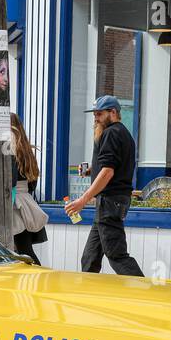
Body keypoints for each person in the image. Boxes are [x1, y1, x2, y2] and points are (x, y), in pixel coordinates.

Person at [64, 95, 143, 276]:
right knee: (90, 257)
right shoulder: (123, 134)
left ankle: (144, 294)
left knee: (117, 255)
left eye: (99, 114)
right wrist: (91, 170)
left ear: (113, 112)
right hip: (111, 202)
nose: (96, 118)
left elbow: (108, 172)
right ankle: (88, 295)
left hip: (110, 201)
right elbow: (112, 166)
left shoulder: (111, 133)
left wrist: (83, 200)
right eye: (94, 114)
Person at [8, 114, 48, 264]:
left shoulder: (8, 145)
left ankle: (37, 280)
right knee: (24, 249)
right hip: (25, 200)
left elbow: (9, 179)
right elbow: (33, 183)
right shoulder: (26, 150)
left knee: (22, 251)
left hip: (13, 201)